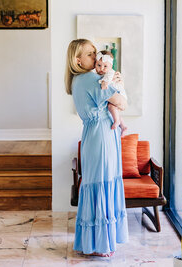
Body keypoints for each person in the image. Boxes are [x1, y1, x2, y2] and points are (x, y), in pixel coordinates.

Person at [65, 39, 129, 257]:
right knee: (103, 182)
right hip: (102, 135)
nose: (96, 57)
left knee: (96, 183)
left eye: (95, 53)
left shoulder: (78, 80)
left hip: (95, 134)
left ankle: (95, 242)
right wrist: (119, 84)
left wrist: (114, 82)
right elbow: (121, 103)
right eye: (91, 54)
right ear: (78, 60)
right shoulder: (91, 78)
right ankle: (102, 245)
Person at [93, 50, 128, 136]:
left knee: (111, 106)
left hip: (119, 93)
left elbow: (108, 77)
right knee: (114, 110)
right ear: (95, 64)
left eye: (105, 66)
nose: (101, 68)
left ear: (111, 66)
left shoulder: (110, 73)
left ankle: (117, 122)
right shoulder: (97, 74)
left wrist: (105, 82)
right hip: (117, 93)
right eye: (99, 65)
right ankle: (123, 126)